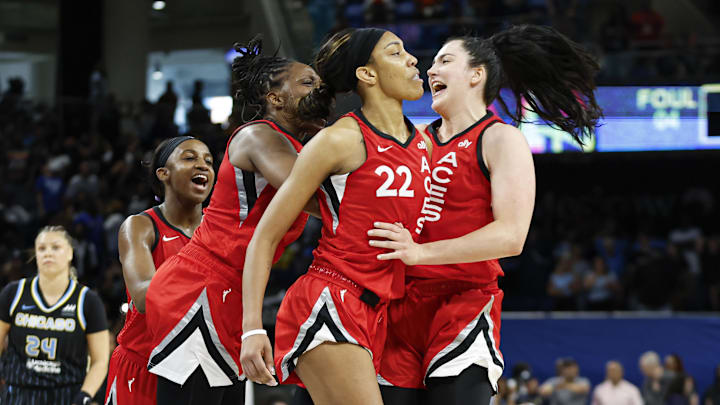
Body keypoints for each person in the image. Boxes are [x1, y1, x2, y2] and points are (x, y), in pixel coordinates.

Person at [366, 24, 602, 405]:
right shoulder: (413, 142)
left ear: (477, 74)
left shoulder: (501, 138)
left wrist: (421, 253)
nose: (430, 70)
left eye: (444, 61)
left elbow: (511, 237)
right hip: (398, 307)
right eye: (432, 63)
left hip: (462, 305)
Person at [240, 28, 428, 405]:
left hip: (379, 311)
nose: (412, 59)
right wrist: (251, 328)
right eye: (395, 52)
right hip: (332, 300)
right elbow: (265, 235)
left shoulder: (421, 142)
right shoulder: (340, 140)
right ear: (367, 74)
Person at [144, 35, 328, 405]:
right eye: (308, 82)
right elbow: (316, 198)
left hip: (232, 287)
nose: (319, 89)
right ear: (275, 98)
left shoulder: (293, 144)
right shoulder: (260, 137)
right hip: (200, 287)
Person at [104, 136, 216, 405]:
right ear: (163, 173)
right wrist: (199, 253)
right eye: (189, 158)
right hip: (144, 365)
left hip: (202, 368)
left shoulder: (219, 228)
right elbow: (144, 298)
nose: (202, 165)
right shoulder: (140, 226)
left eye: (209, 161)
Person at [0, 225, 109, 405]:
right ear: (35, 254)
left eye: (55, 247)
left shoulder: (87, 300)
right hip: (18, 394)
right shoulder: (14, 293)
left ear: (70, 254)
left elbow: (100, 360)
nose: (47, 253)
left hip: (67, 394)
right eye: (41, 249)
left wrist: (85, 395)